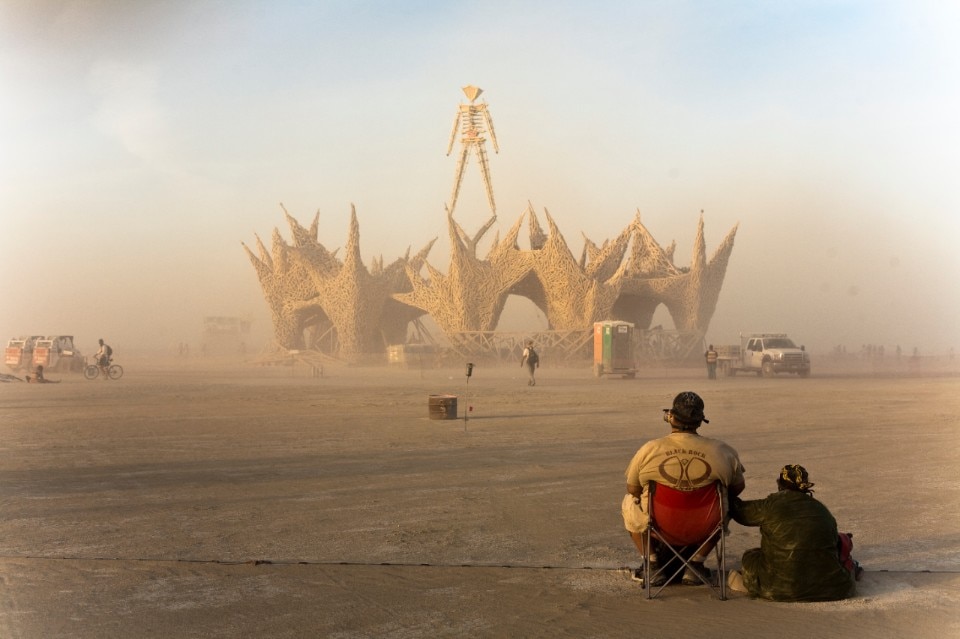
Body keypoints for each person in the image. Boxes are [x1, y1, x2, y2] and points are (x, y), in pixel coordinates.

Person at [622, 391, 745, 586]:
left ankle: (652, 564)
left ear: (670, 417)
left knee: (629, 502)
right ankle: (696, 564)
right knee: (726, 501)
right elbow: (737, 488)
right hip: (705, 527)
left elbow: (632, 488)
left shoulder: (650, 449)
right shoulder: (723, 451)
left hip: (660, 526)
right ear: (699, 421)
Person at [727, 464, 860, 601]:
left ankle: (753, 585)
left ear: (779, 484)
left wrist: (725, 490)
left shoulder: (770, 506)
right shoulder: (821, 510)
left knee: (750, 557)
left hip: (778, 589)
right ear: (805, 486)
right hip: (833, 589)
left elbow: (739, 512)